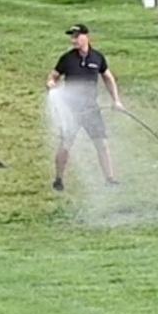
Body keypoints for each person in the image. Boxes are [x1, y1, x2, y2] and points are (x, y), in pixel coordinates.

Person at [46, 24, 124, 191]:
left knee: (102, 144)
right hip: (70, 111)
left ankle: (109, 178)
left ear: (86, 37)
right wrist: (51, 84)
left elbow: (108, 78)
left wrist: (116, 100)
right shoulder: (67, 58)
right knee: (65, 144)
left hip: (92, 109)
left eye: (77, 36)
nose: (74, 40)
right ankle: (58, 179)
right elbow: (53, 76)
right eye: (72, 37)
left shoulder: (97, 58)